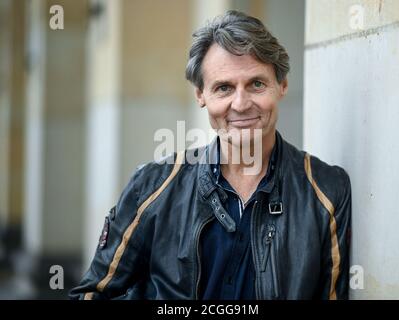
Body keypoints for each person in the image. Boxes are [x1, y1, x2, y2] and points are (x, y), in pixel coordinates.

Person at [70, 10, 351, 300]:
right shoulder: (152, 186)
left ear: (282, 85)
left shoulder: (328, 190)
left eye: (256, 83)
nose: (241, 104)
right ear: (200, 95)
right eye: (224, 88)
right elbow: (91, 294)